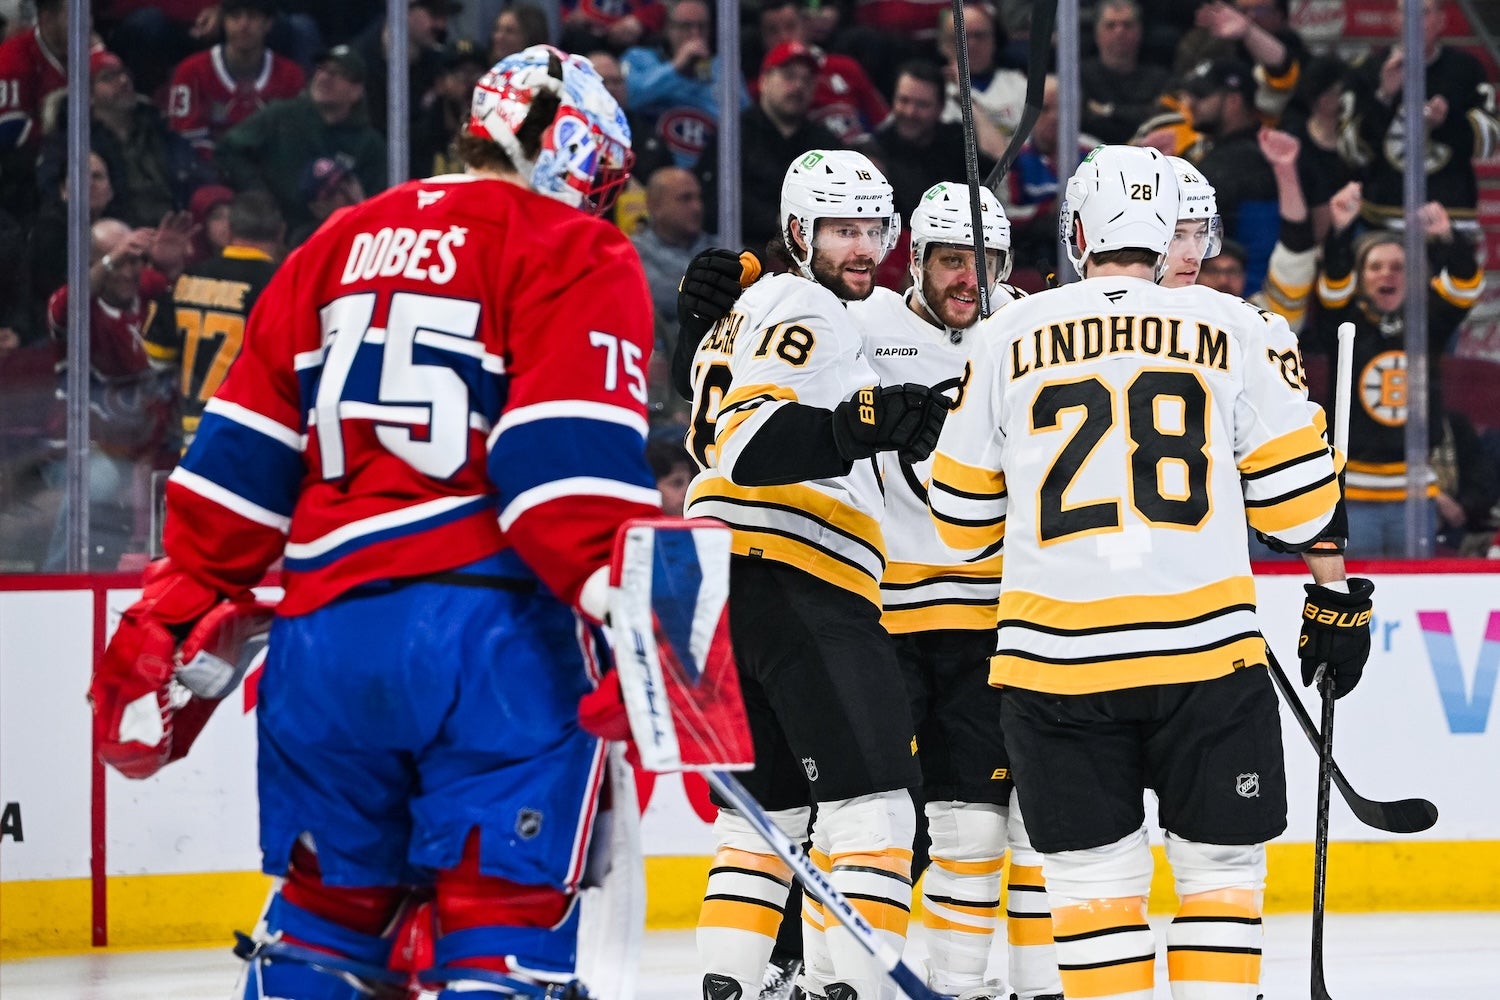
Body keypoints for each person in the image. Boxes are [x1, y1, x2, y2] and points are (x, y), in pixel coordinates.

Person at [88, 44, 659, 999]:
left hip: (324, 647)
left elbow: (234, 478)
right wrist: (627, 604)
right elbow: (559, 474)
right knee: (501, 929)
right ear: (563, 146)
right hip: (496, 642)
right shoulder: (573, 248)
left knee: (324, 926)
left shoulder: (333, 244)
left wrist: (191, 592)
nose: (595, 200)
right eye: (595, 175)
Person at [928, 144, 1375, 1000]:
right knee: (1218, 881)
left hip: (1053, 667)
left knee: (1095, 896)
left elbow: (959, 526)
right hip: (1205, 658)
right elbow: (1296, 516)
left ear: (1082, 231)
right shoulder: (1234, 326)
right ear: (1173, 232)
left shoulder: (1007, 331)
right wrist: (1330, 585)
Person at [684, 148, 949, 1000]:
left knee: (764, 821)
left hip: (723, 588)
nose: (862, 247)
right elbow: (751, 443)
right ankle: (855, 991)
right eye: (841, 230)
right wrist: (859, 425)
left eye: (873, 228)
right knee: (874, 804)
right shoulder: (808, 304)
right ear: (802, 232)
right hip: (794, 573)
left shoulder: (750, 306)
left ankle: (729, 983)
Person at [1304, 182, 1484, 557]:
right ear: (1361, 276)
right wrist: (1339, 232)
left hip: (1415, 497)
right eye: (1376, 267)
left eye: (1399, 267)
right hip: (1354, 494)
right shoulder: (1345, 321)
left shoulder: (1425, 321)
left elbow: (1465, 286)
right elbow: (1333, 287)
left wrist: (1446, 239)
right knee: (1360, 592)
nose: (1387, 275)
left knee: (1414, 594)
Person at [214, 45, 387, 232]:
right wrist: (259, 194)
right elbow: (228, 150)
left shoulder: (370, 144)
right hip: (274, 232)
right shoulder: (280, 116)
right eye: (322, 69)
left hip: (338, 236)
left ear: (356, 91)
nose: (325, 78)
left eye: (338, 74)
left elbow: (378, 205)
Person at [161, 189, 284, 450]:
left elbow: (155, 356)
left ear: (229, 231)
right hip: (248, 433)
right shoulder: (280, 285)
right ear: (281, 232)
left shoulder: (186, 278)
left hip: (190, 435)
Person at [165, 0, 305, 159]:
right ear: (223, 22)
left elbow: (294, 141)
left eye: (252, 17)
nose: (243, 25)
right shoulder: (190, 71)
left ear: (268, 24)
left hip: (268, 175)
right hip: (209, 174)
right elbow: (185, 140)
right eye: (235, 16)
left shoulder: (291, 75)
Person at [1080, 0, 1172, 145]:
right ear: (1097, 32)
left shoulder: (1159, 79)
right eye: (1110, 25)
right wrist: (1135, 114)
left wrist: (1108, 111)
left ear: (1140, 31)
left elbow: (1159, 118)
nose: (1119, 31)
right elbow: (1082, 120)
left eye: (1127, 25)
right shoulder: (1079, 76)